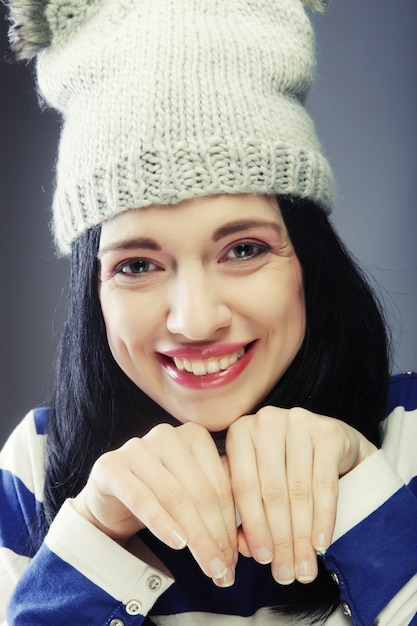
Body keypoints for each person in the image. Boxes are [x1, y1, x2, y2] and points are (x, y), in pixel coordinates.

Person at [0, 0, 416, 624]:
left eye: (243, 250)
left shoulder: (406, 438)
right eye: (137, 265)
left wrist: (360, 485)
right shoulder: (35, 466)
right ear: (96, 291)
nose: (195, 322)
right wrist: (95, 531)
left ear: (309, 260)